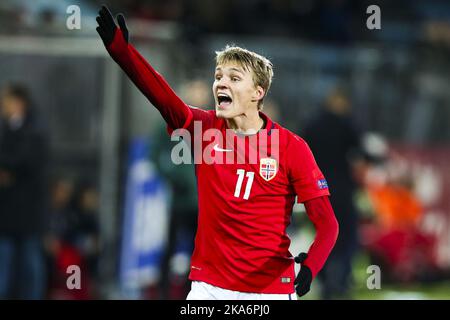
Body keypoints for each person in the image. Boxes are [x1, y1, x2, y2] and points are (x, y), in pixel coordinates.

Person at [96, 6, 338, 300]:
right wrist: (124, 53)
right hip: (208, 289)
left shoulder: (292, 147)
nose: (221, 83)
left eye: (234, 78)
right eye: (218, 76)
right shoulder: (204, 129)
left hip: (268, 291)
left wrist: (311, 268)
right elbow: (162, 97)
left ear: (257, 92)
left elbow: (327, 224)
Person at [303, 86, 362, 299]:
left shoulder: (312, 124)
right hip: (342, 191)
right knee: (346, 237)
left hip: (316, 189)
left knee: (322, 235)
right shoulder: (346, 124)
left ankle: (324, 280)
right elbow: (361, 150)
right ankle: (342, 281)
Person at [0, 83, 49, 299]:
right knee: (5, 266)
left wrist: (9, 169)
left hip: (28, 212)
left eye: (7, 100)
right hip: (6, 213)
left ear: (19, 103)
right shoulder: (5, 128)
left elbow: (27, 161)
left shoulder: (35, 130)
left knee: (30, 266)